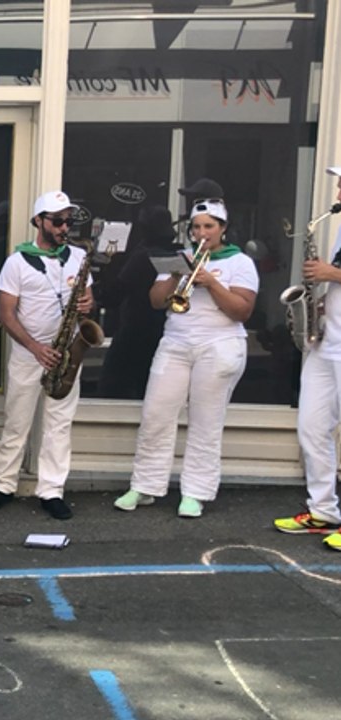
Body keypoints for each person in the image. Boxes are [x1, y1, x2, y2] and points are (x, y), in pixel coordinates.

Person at [115, 199, 257, 517]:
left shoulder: (240, 262)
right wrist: (175, 276)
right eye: (196, 227)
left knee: (205, 420)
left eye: (209, 226)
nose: (202, 233)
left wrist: (212, 282)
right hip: (177, 341)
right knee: (155, 414)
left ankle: (196, 492)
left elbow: (242, 310)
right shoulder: (181, 257)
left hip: (219, 344)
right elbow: (155, 301)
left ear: (223, 228)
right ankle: (145, 486)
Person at [0, 191, 94, 520]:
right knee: (17, 421)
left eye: (68, 221)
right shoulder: (16, 262)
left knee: (59, 424)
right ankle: (4, 485)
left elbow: (88, 299)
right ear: (38, 221)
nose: (64, 227)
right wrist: (35, 348)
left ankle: (52, 490)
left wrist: (88, 304)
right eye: (57, 221)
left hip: (67, 352)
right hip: (29, 352)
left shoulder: (77, 257)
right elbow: (6, 315)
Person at [274, 166, 341, 550]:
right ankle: (323, 509)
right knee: (311, 427)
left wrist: (330, 272)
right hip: (327, 340)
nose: (337, 188)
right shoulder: (337, 227)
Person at [96, 205, 173, 399]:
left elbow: (114, 294)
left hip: (135, 331)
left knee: (112, 387)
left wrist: (107, 266)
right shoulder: (172, 253)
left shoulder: (142, 256)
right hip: (161, 331)